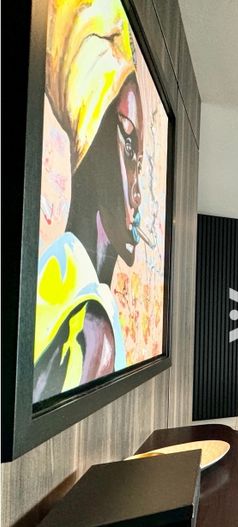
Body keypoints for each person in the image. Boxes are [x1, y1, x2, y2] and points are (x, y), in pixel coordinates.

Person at [33, 0, 148, 403]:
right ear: (92, 141)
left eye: (140, 162)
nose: (138, 190)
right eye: (129, 145)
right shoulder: (90, 326)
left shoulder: (67, 288)